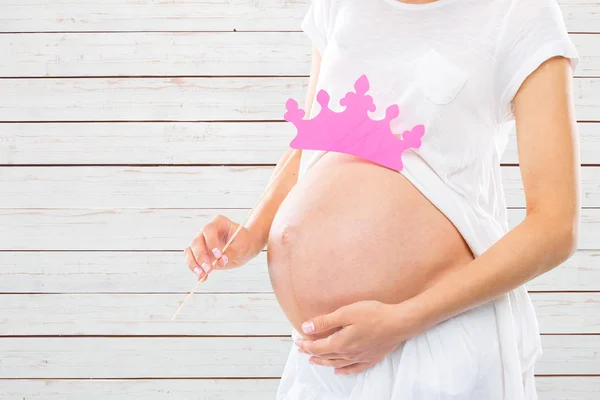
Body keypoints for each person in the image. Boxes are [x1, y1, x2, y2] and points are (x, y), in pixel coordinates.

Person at [184, 0, 581, 398]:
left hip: (437, 338)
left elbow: (555, 227)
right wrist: (252, 234)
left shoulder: (519, 12)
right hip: (326, 359)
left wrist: (403, 320)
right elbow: (313, 141)